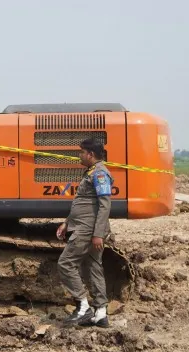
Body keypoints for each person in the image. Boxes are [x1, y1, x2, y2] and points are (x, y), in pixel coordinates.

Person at [56, 138, 113, 328]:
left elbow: (105, 205)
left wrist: (97, 233)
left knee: (65, 264)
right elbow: (83, 203)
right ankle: (101, 314)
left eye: (81, 152)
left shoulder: (100, 174)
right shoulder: (90, 172)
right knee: (94, 267)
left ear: (90, 154)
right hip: (84, 226)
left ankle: (83, 307)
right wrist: (66, 223)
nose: (79, 155)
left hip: (87, 230)